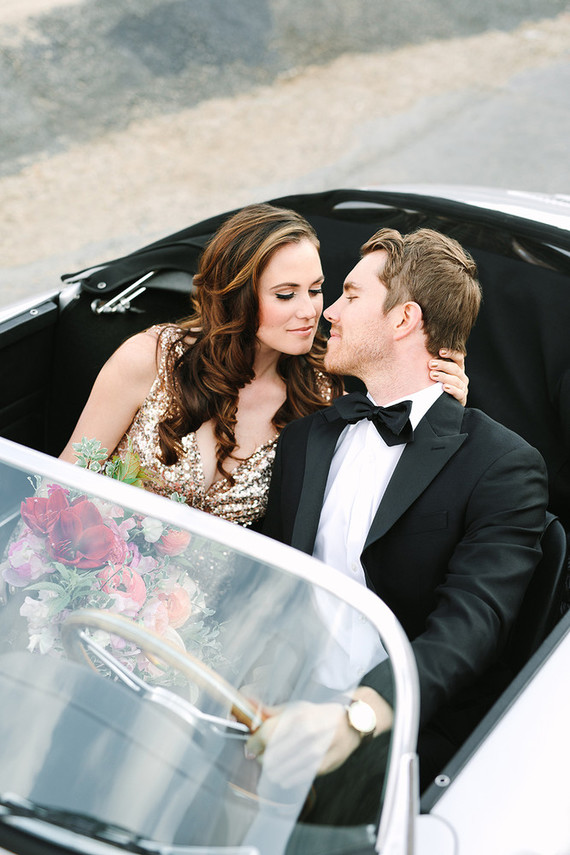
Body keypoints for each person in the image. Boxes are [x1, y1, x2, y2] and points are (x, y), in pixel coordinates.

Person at [252, 226, 549, 802]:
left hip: (403, 740)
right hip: (276, 703)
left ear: (404, 319)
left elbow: (473, 623)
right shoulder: (305, 440)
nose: (328, 313)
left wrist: (359, 716)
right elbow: (271, 581)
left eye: (350, 295)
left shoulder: (502, 466)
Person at [59, 205, 468, 528]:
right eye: (286, 295)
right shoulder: (150, 358)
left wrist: (436, 403)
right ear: (239, 297)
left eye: (316, 289)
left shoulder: (323, 393)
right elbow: (63, 484)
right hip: (94, 583)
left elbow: (371, 489)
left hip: (214, 617)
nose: (310, 311)